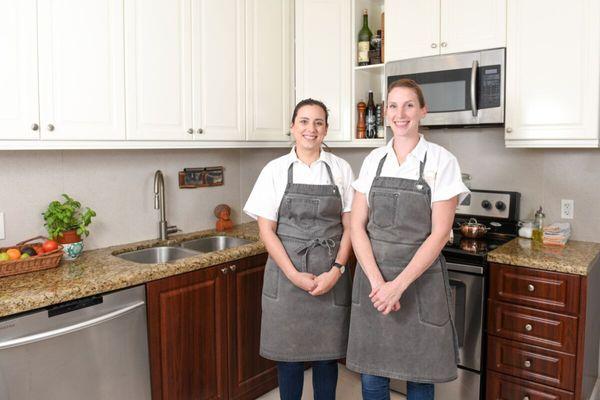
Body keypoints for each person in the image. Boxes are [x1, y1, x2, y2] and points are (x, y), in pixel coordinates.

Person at [346, 79, 470, 400]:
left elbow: (440, 233)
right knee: (372, 376)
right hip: (374, 282)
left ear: (423, 111)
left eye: (409, 105)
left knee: (419, 376)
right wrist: (378, 284)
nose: (400, 114)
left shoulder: (442, 161)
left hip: (418, 283)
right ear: (385, 113)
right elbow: (357, 226)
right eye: (393, 106)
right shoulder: (374, 160)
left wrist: (397, 286)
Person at [243, 99, 355, 400]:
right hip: (286, 275)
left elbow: (351, 227)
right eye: (304, 121)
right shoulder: (275, 170)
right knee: (288, 357)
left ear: (326, 129)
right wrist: (293, 275)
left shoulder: (341, 169)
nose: (311, 129)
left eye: (318, 122)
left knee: (326, 357)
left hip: (330, 274)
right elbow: (266, 230)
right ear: (292, 127)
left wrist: (337, 270)